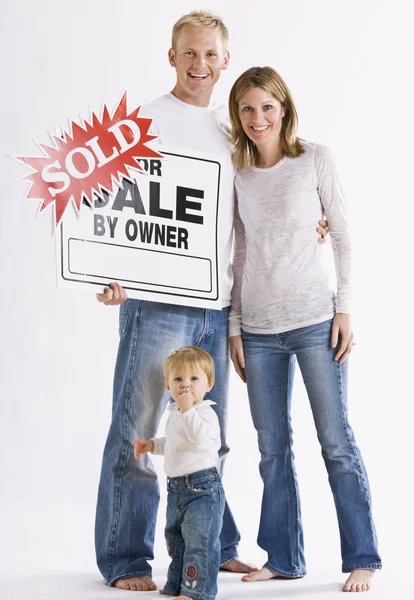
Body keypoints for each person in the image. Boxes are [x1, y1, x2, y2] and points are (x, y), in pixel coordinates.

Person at [94, 12, 328, 592]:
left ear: (226, 61)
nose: (200, 65)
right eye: (190, 54)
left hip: (217, 306)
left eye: (211, 55)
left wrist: (310, 224)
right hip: (155, 305)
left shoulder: (233, 131)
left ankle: (214, 545)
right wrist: (109, 272)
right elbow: (108, 206)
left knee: (207, 433)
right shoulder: (143, 122)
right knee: (139, 429)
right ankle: (125, 559)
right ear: (171, 57)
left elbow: (260, 206)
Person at [228, 66, 382, 593]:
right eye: (247, 109)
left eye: (266, 107)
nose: (257, 118)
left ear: (284, 108)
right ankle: (284, 556)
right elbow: (239, 253)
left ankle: (362, 556)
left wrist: (346, 309)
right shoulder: (238, 173)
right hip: (259, 330)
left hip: (317, 321)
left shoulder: (314, 159)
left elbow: (343, 235)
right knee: (272, 447)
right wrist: (234, 328)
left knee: (336, 442)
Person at [132, 347, 225, 600]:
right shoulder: (175, 413)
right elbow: (174, 442)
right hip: (177, 488)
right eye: (178, 380)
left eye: (194, 379)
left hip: (203, 489)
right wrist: (152, 445)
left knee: (199, 541)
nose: (186, 387)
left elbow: (197, 438)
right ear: (167, 385)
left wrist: (187, 410)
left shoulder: (205, 413)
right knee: (176, 539)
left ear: (209, 383)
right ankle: (176, 583)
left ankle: (197, 591)